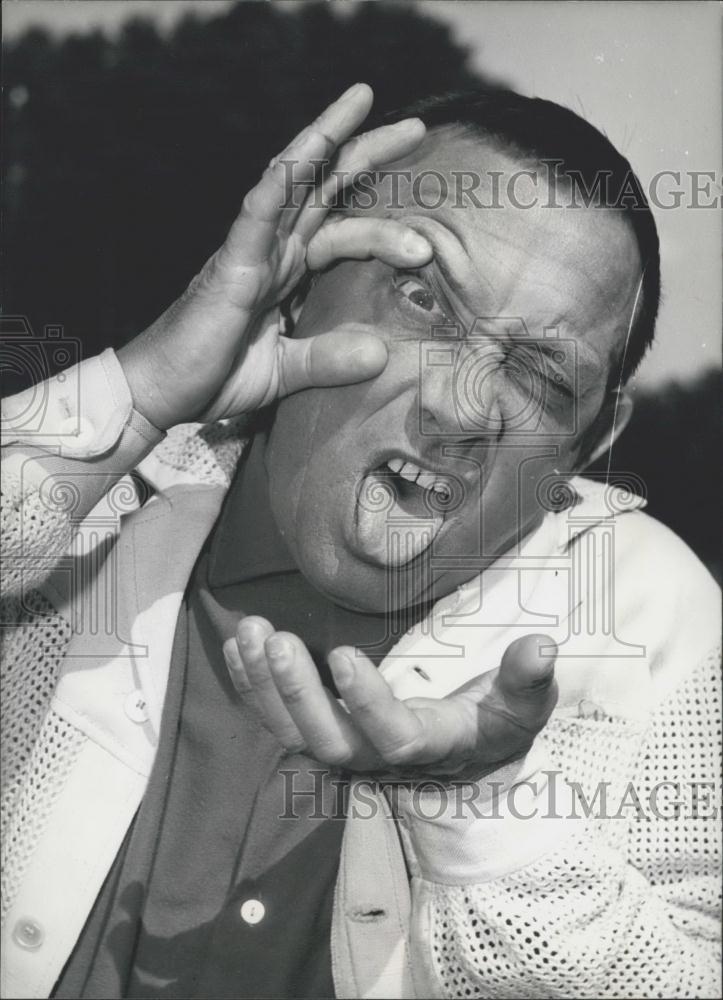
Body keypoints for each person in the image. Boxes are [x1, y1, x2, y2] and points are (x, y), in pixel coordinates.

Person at [1, 82, 720, 999]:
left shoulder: (652, 622)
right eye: (422, 299)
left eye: (540, 375)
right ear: (297, 285)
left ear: (591, 442)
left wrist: (484, 801)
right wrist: (132, 398)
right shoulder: (87, 504)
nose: (458, 408)